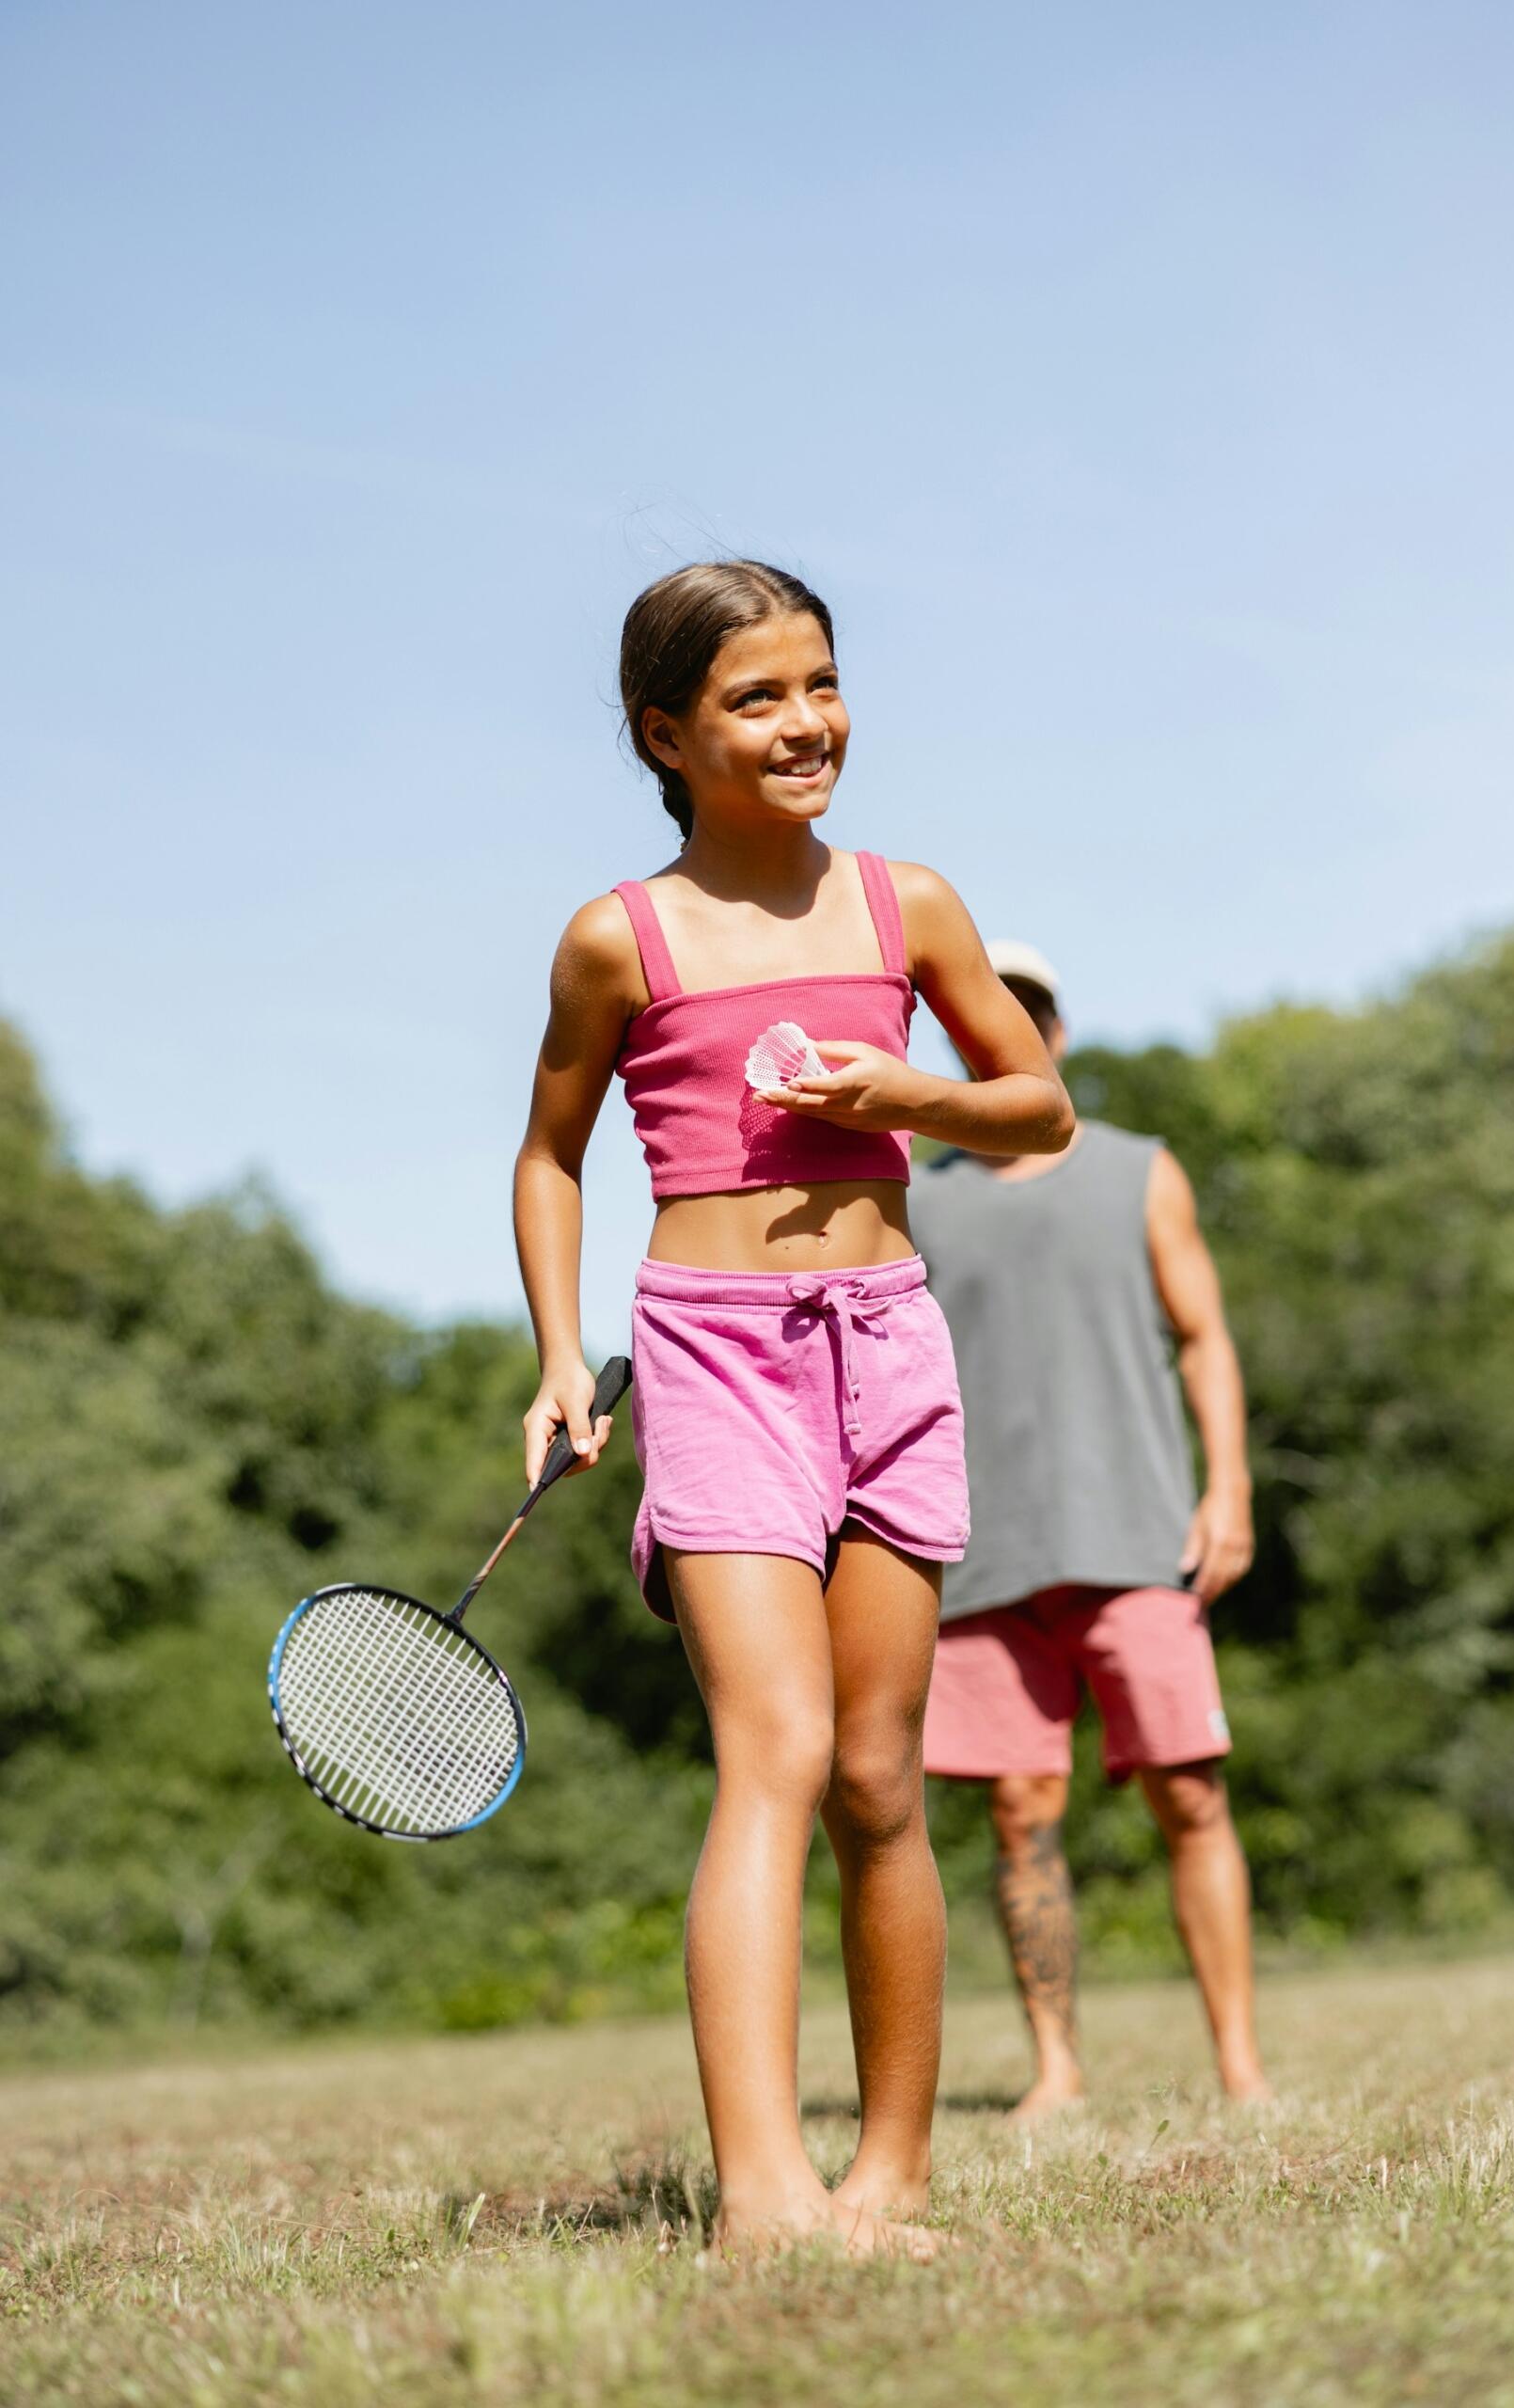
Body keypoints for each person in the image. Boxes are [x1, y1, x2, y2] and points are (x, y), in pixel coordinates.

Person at [512, 562, 1074, 2255]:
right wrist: (556, 1353)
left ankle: (886, 2176)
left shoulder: (910, 907)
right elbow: (548, 1155)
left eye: (818, 682)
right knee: (776, 1748)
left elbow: (1034, 1109)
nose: (805, 720)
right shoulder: (622, 936)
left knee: (882, 1778)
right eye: (755, 698)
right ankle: (761, 2194)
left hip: (887, 1344)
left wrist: (916, 1093)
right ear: (663, 735)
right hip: (713, 1348)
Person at [914, 942, 1269, 2115]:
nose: (1007, 1031)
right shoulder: (911, 1192)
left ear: (1055, 1036)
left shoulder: (1138, 1171)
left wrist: (1228, 1489)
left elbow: (1204, 1336)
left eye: (1029, 1015)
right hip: (979, 1553)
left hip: (1135, 1536)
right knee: (1020, 1815)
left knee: (1191, 1794)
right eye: (982, 1016)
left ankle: (1239, 2068)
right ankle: (1056, 2070)